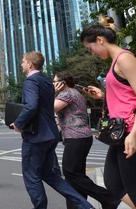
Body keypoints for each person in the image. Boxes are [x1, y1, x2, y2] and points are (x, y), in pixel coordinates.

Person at [11, 51, 92, 209]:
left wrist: (18, 124)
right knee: (50, 175)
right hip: (50, 135)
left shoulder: (31, 81)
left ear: (29, 64)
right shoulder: (47, 81)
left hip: (36, 137)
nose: (21, 65)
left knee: (31, 177)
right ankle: (85, 205)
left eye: (22, 62)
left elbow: (32, 106)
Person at [80, 16, 136, 208]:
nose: (93, 54)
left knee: (135, 191)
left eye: (91, 49)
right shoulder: (116, 62)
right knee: (113, 183)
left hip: (131, 133)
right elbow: (126, 95)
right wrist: (102, 96)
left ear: (100, 40)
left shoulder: (125, 59)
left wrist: (134, 135)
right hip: (120, 134)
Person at [53, 71, 120, 209]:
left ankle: (108, 198)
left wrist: (52, 93)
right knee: (75, 175)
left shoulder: (67, 93)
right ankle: (77, 205)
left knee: (70, 173)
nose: (53, 84)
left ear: (62, 83)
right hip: (81, 138)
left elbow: (50, 107)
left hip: (76, 138)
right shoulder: (76, 93)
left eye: (55, 82)